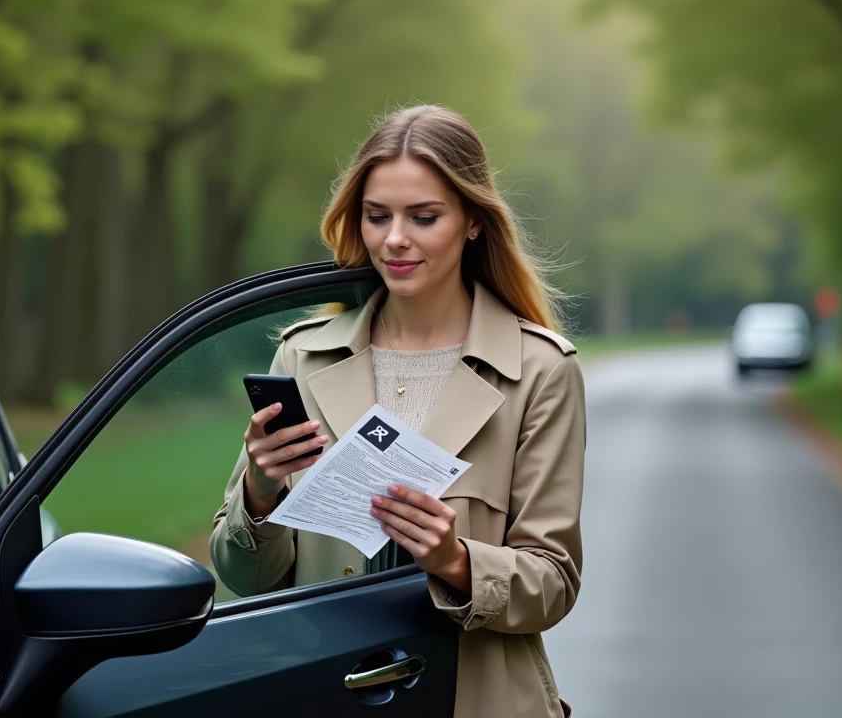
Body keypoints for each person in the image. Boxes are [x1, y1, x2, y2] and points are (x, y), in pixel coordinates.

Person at [208, 104, 585, 718]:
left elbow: (554, 584)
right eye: (377, 216)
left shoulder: (540, 370)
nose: (394, 239)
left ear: (472, 221)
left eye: (424, 217)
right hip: (328, 696)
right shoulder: (301, 357)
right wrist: (261, 488)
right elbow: (246, 580)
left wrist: (456, 561)